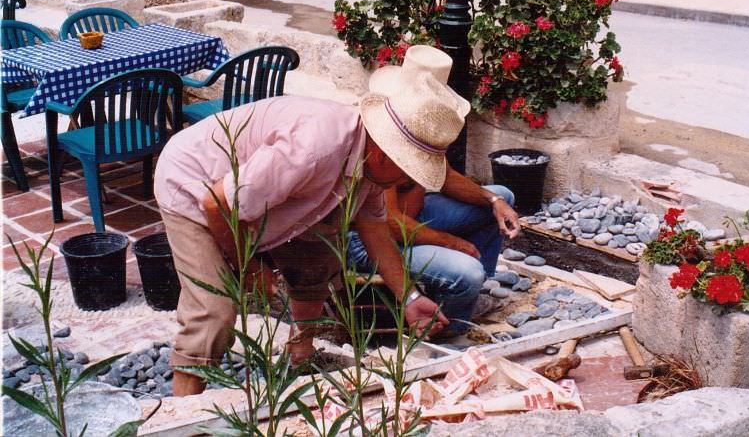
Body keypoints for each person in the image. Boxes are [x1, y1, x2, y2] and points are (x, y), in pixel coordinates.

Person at [153, 45, 467, 396]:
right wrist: (251, 266)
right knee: (214, 310)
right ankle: (183, 405)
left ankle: (300, 358)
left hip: (255, 198)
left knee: (319, 255)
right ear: (384, 151)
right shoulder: (312, 149)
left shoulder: (372, 164)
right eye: (406, 169)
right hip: (195, 184)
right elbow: (217, 204)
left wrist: (409, 298)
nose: (404, 182)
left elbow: (375, 230)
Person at [347, 46, 521, 335]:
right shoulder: (381, 130)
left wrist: (494, 199)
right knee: (467, 272)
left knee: (502, 195)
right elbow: (388, 222)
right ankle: (445, 327)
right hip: (371, 238)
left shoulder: (420, 122)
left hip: (411, 216)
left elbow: (446, 176)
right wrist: (449, 242)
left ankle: (470, 296)